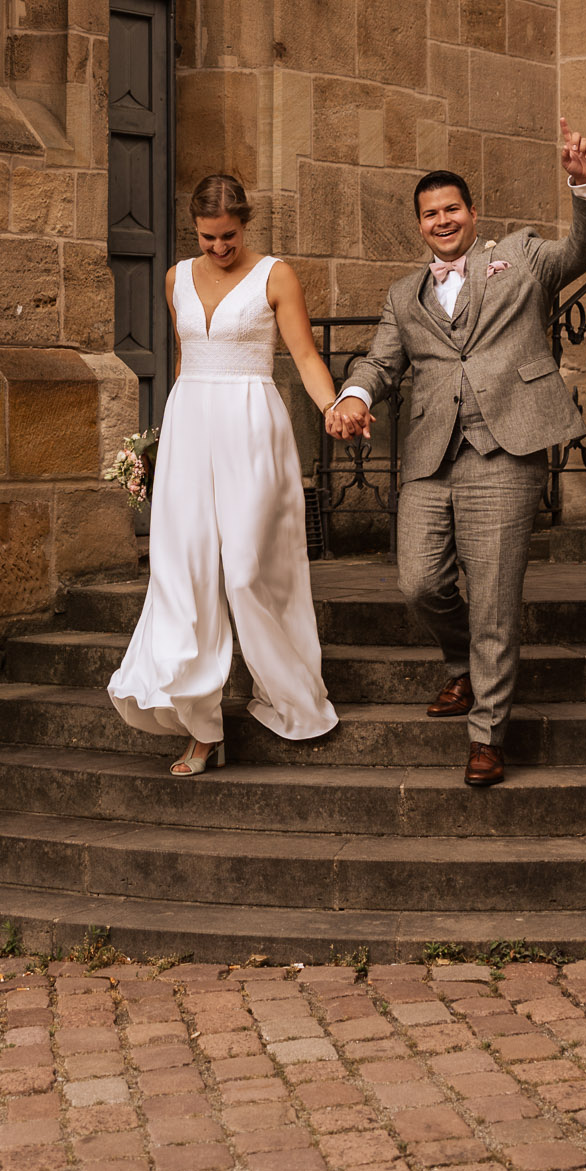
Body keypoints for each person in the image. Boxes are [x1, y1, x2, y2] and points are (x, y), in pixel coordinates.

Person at [325, 118, 586, 788]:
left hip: (505, 451)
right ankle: (461, 664)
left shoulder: (521, 257)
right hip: (430, 455)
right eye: (429, 214)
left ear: (472, 214)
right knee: (418, 582)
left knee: (493, 600)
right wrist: (354, 397)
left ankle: (486, 734)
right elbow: (380, 362)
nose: (441, 220)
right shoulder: (404, 295)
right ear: (418, 225)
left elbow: (583, 249)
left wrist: (584, 186)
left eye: (451, 208)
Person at [108, 172, 341, 775]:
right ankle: (201, 729)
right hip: (190, 427)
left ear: (246, 222)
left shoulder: (275, 275)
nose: (218, 248)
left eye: (229, 236)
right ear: (195, 229)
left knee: (245, 568)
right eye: (208, 238)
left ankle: (289, 691)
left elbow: (306, 356)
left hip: (251, 427)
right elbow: (186, 360)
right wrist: (164, 443)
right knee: (181, 573)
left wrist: (334, 405)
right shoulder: (175, 277)